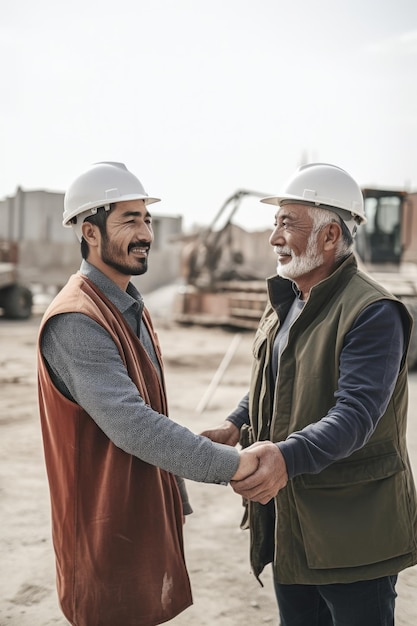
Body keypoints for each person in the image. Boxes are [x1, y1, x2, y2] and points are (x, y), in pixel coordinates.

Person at [37, 161, 260, 626]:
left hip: (134, 516)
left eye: (147, 219)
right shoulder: (77, 319)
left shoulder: (127, 304)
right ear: (89, 232)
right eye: (128, 220)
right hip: (101, 526)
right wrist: (235, 467)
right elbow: (132, 424)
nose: (145, 234)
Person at [201, 163, 417, 626]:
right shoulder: (290, 298)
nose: (274, 237)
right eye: (275, 223)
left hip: (353, 526)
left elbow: (356, 415)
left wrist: (283, 457)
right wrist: (237, 422)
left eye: (287, 223)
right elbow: (276, 379)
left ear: (330, 235)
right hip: (292, 522)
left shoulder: (374, 312)